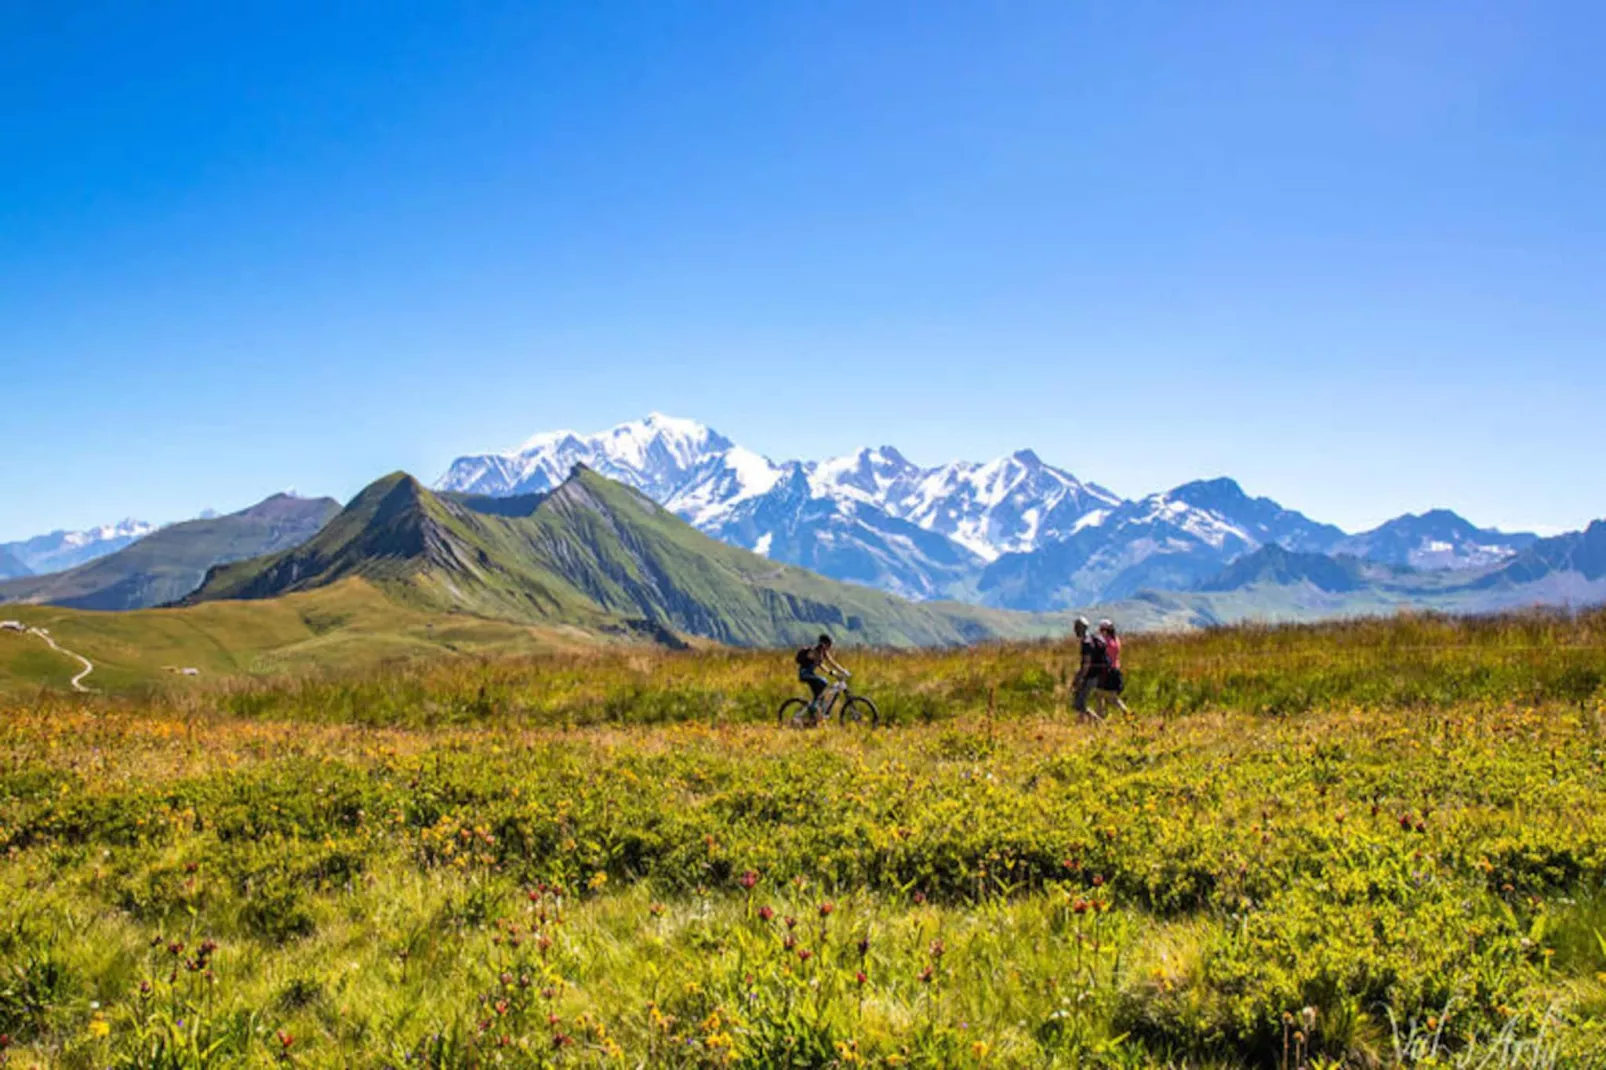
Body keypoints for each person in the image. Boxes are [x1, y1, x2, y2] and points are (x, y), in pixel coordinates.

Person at [796, 633, 849, 722]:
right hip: (805, 674)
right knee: (823, 682)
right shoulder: (814, 651)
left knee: (821, 694)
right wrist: (830, 672)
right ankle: (813, 708)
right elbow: (819, 664)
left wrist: (843, 671)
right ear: (823, 644)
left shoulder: (823, 652)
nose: (829, 647)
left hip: (810, 674)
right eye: (828, 644)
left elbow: (832, 663)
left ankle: (815, 715)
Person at [1070, 617, 1110, 721]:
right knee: (1080, 701)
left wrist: (1079, 678)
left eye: (1076, 628)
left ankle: (1099, 723)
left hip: (1090, 676)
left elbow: (1086, 664)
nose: (1075, 630)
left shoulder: (1086, 643)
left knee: (1079, 704)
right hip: (1098, 674)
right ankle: (1083, 722)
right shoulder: (1094, 638)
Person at [1094, 619, 1130, 717]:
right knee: (1107, 696)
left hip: (1106, 671)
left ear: (1104, 630)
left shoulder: (1104, 642)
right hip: (1116, 671)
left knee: (1101, 695)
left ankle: (1101, 718)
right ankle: (1125, 713)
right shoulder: (1116, 640)